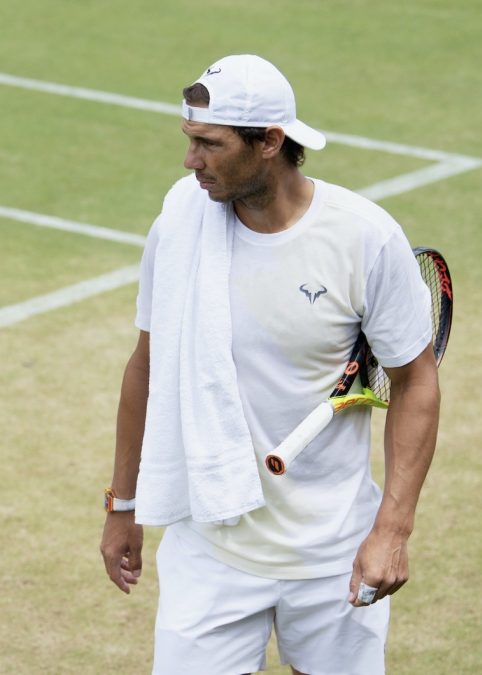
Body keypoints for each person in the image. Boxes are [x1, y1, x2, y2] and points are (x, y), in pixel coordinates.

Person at [99, 54, 439, 674]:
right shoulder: (179, 222)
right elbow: (146, 367)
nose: (189, 161)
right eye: (188, 140)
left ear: (270, 142)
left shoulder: (364, 238)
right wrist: (122, 504)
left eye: (209, 144)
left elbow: (416, 382)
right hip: (211, 545)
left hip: (332, 552)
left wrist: (392, 530)